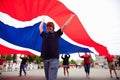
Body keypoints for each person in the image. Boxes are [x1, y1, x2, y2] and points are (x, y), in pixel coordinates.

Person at [39, 14, 75, 80]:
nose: (49, 27)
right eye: (47, 26)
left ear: (53, 28)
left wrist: (71, 17)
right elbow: (40, 28)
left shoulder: (56, 34)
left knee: (51, 78)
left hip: (54, 59)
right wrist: (43, 20)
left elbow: (64, 26)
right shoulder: (44, 35)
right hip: (45, 59)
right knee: (48, 78)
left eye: (50, 26)